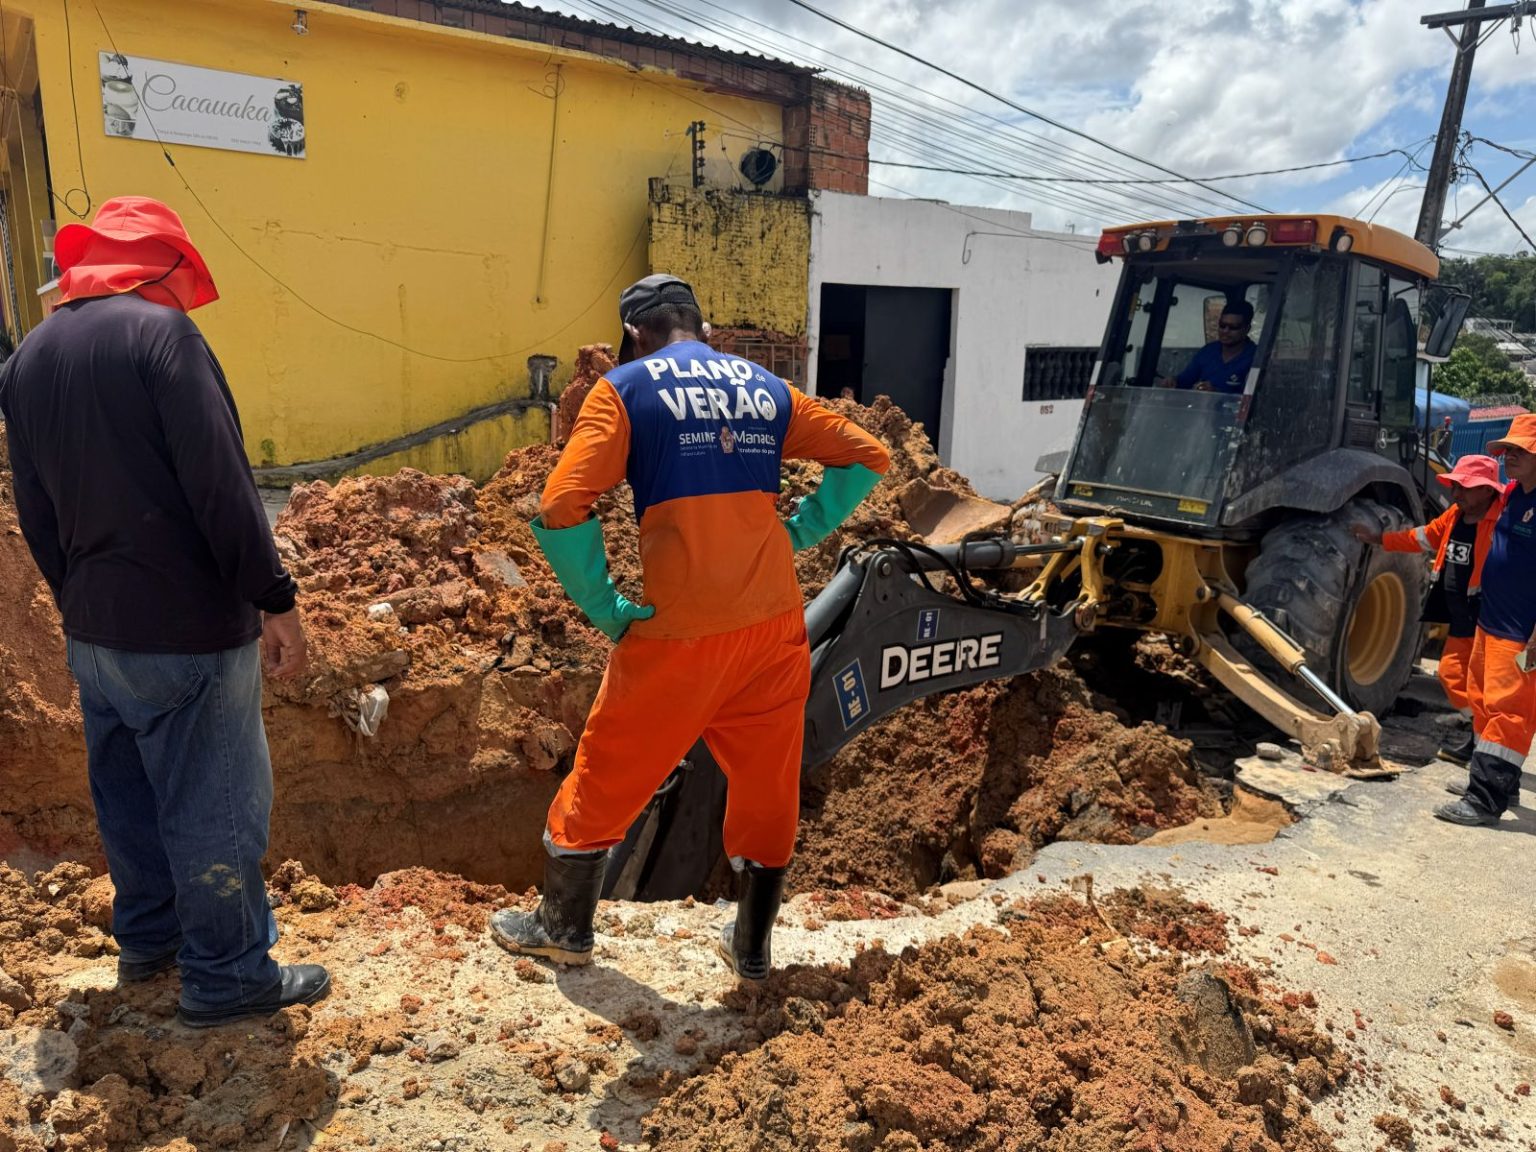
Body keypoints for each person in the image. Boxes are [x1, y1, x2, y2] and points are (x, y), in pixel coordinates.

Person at [490, 274, 890, 980]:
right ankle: (752, 948)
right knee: (767, 783)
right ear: (700, 327)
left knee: (608, 771)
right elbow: (868, 454)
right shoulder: (767, 389)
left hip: (680, 636)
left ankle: (562, 928)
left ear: (635, 336)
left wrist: (605, 605)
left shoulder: (626, 391)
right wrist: (801, 530)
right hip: (773, 628)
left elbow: (561, 504)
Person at [0, 196, 328, 1026]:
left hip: (95, 629)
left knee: (130, 794)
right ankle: (226, 977)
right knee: (214, 803)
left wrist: (76, 600)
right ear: (163, 269)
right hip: (187, 628)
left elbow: (34, 509)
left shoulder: (29, 359)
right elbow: (220, 484)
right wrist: (274, 597)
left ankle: (150, 945)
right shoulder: (162, 337)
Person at [1351, 454, 1508, 765]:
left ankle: (1488, 749)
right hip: (1459, 615)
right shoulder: (1453, 517)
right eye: (1455, 486)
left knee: (1488, 687)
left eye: (1465, 487)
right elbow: (1421, 538)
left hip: (1487, 617)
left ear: (1488, 491)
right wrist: (1380, 539)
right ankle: (1479, 732)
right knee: (1451, 675)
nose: (1457, 493)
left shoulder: (1502, 521)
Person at [1434, 414, 1536, 828]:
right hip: (1491, 620)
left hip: (1522, 632)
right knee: (1480, 698)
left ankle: (1484, 801)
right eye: (1507, 450)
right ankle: (1497, 782)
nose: (1508, 457)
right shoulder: (1513, 495)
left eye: (1519, 451)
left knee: (1509, 711)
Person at [1158, 300, 1257, 393]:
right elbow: (1185, 380)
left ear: (1247, 329)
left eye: (1233, 327)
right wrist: (1172, 381)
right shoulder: (1208, 351)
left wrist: (1216, 393)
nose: (1225, 331)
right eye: (1222, 325)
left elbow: (1250, 399)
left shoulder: (1255, 357)